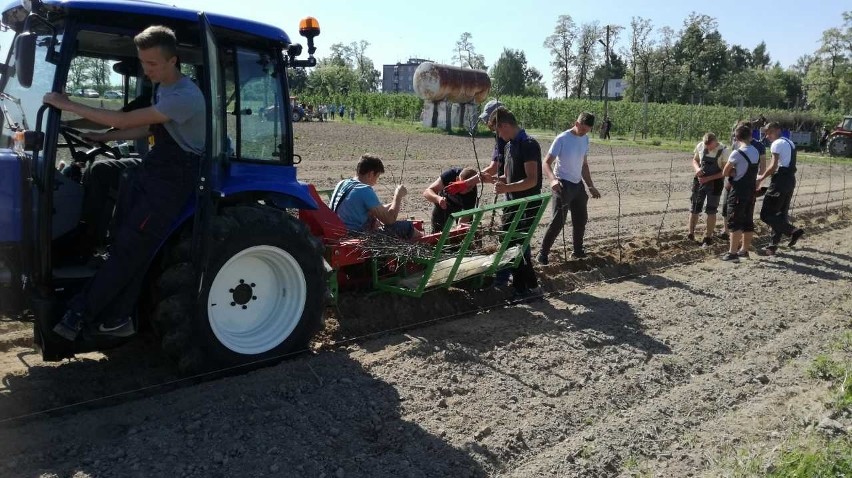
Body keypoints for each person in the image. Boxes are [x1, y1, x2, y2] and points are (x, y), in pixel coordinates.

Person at [48, 25, 206, 340]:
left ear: (173, 61)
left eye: (152, 64)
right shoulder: (163, 87)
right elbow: (141, 128)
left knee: (130, 248)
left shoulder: (185, 95)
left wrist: (67, 104)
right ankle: (116, 310)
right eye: (142, 62)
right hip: (157, 166)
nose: (146, 71)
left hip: (176, 176)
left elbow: (123, 119)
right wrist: (103, 136)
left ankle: (80, 314)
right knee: (121, 235)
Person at [490, 107, 542, 300]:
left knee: (517, 247)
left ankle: (524, 290)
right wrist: (498, 180)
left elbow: (531, 180)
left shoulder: (528, 144)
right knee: (512, 245)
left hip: (527, 205)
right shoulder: (509, 146)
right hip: (512, 205)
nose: (498, 135)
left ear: (504, 125)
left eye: (498, 131)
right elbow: (511, 175)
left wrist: (507, 188)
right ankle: (530, 288)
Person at [538, 112, 601, 264]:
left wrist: (590, 185)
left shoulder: (585, 139)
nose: (583, 132)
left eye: (587, 130)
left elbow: (584, 165)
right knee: (558, 222)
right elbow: (545, 163)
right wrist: (553, 181)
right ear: (577, 123)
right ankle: (542, 255)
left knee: (581, 220)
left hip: (577, 185)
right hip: (562, 184)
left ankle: (578, 251)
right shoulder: (562, 139)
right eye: (582, 128)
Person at [330, 154, 423, 240]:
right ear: (370, 174)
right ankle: (428, 246)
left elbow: (368, 209)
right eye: (377, 176)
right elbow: (389, 220)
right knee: (407, 227)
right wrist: (397, 196)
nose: (376, 182)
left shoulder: (342, 183)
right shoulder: (364, 189)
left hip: (338, 233)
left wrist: (393, 204)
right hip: (356, 236)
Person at [758, 122, 804, 255]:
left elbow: (773, 166)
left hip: (780, 180)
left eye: (769, 132)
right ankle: (772, 247)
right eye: (766, 133)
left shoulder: (776, 144)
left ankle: (793, 231)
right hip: (790, 180)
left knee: (766, 214)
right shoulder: (789, 142)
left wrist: (760, 178)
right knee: (780, 214)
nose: (767, 136)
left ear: (778, 130)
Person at [720, 125, 760, 262]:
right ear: (750, 136)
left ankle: (732, 253)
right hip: (751, 191)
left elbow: (725, 172)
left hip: (738, 191)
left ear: (736, 138)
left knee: (735, 221)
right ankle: (744, 250)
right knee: (748, 221)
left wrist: (734, 172)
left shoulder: (737, 153)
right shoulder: (755, 151)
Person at [687, 133, 727, 247]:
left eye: (710, 146)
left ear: (715, 142)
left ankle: (708, 237)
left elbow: (724, 172)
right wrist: (697, 169)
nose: (708, 148)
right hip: (699, 181)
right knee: (694, 207)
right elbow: (695, 160)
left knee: (711, 210)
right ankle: (690, 234)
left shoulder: (724, 151)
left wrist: (708, 178)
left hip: (715, 183)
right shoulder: (700, 146)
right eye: (706, 146)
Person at [423, 167, 478, 233]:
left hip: (461, 207)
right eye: (463, 185)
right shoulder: (450, 175)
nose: (466, 190)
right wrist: (438, 199)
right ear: (457, 179)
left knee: (463, 233)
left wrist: (459, 227)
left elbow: (465, 217)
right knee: (437, 231)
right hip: (443, 203)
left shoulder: (472, 192)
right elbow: (427, 192)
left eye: (469, 187)